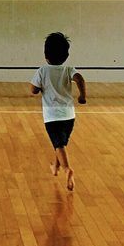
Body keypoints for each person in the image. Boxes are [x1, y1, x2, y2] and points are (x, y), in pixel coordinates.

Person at [29, 32, 86, 191]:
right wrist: (82, 96)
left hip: (52, 116)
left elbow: (33, 89)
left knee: (59, 144)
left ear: (46, 54)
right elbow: (80, 79)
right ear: (66, 55)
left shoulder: (42, 71)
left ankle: (67, 169)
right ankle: (55, 166)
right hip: (69, 116)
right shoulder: (69, 69)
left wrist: (39, 88)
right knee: (59, 144)